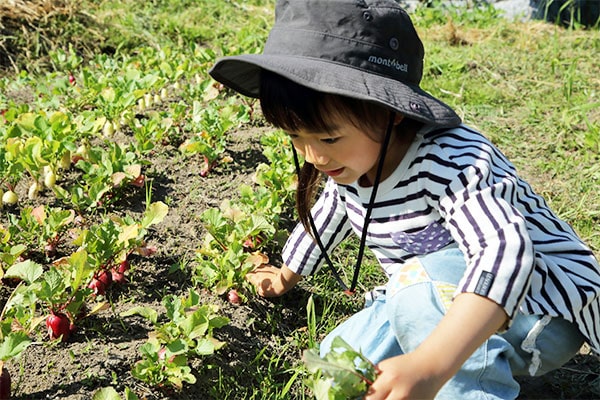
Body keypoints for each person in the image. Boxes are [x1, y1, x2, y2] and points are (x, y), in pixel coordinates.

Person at [209, 1, 600, 398]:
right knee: (343, 360)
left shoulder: (450, 159)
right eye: (295, 136)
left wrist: (431, 365)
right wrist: (286, 274)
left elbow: (504, 251)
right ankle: (466, 367)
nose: (315, 157)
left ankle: (468, 386)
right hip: (430, 293)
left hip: (540, 307)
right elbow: (331, 212)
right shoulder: (353, 160)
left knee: (417, 295)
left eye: (327, 138)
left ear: (389, 110)